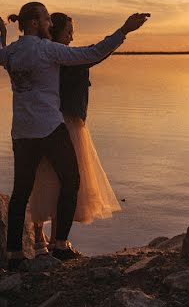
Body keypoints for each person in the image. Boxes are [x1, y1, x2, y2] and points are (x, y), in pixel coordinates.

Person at [0, 3, 149, 270]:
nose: (50, 24)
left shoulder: (13, 52)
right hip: (51, 129)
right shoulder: (47, 50)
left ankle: (15, 254)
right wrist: (124, 30)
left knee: (21, 192)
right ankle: (60, 245)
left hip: (22, 132)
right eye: (45, 19)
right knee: (71, 180)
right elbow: (92, 53)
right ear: (32, 23)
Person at [25, 13, 121, 251]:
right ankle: (56, 240)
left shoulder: (43, 56)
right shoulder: (64, 57)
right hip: (66, 124)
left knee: (45, 179)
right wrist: (125, 31)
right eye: (68, 31)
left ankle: (41, 239)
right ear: (55, 31)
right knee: (64, 181)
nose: (72, 35)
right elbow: (97, 52)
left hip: (44, 123)